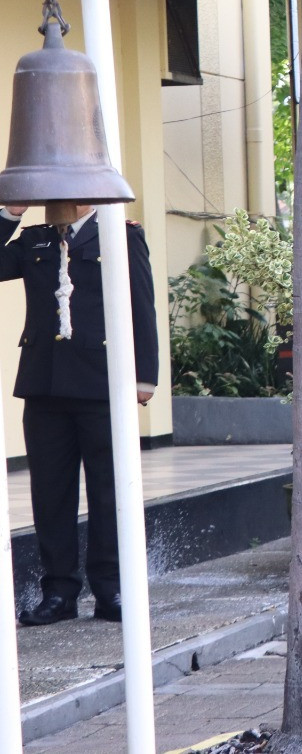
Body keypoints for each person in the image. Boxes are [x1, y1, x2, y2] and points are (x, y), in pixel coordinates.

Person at [0, 203, 159, 625]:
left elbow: (141, 302)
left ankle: (110, 588)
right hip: (44, 384)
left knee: (109, 492)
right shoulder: (36, 238)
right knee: (51, 494)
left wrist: (145, 377)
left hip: (101, 385)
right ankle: (58, 592)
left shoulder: (120, 235)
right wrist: (9, 213)